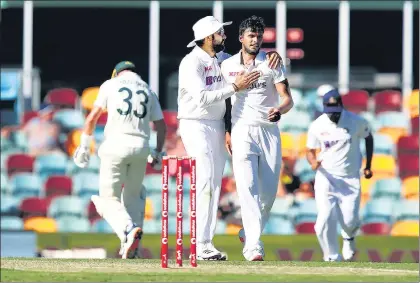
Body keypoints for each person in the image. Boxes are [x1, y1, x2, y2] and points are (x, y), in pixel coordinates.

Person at [177, 15, 282, 261]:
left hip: (217, 125)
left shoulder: (222, 59)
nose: (224, 37)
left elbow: (246, 58)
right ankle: (201, 243)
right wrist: (235, 87)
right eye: (219, 34)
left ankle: (206, 243)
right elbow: (202, 98)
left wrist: (273, 55)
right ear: (207, 38)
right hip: (195, 123)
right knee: (205, 181)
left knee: (214, 184)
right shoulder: (190, 62)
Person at [73, 61, 167, 259]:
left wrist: (83, 145)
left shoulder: (110, 84)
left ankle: (128, 230)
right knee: (133, 197)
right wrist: (157, 152)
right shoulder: (149, 90)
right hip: (141, 148)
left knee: (107, 200)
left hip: (115, 146)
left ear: (117, 73)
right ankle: (132, 247)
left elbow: (92, 118)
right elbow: (161, 125)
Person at [221, 15, 294, 261]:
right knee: (247, 187)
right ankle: (253, 246)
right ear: (241, 38)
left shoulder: (271, 62)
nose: (255, 40)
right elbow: (224, 103)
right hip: (242, 129)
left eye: (259, 36)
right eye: (251, 36)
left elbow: (287, 98)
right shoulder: (227, 65)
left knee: (269, 194)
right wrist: (227, 131)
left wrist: (280, 110)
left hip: (269, 131)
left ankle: (248, 232)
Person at [306, 88, 374, 262]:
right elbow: (310, 150)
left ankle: (349, 239)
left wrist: (368, 166)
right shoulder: (317, 125)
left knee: (350, 221)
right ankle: (331, 256)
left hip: (350, 178)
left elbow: (368, 137)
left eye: (336, 112)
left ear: (342, 107)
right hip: (326, 177)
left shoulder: (356, 121)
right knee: (323, 220)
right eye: (330, 113)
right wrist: (313, 163)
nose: (333, 116)